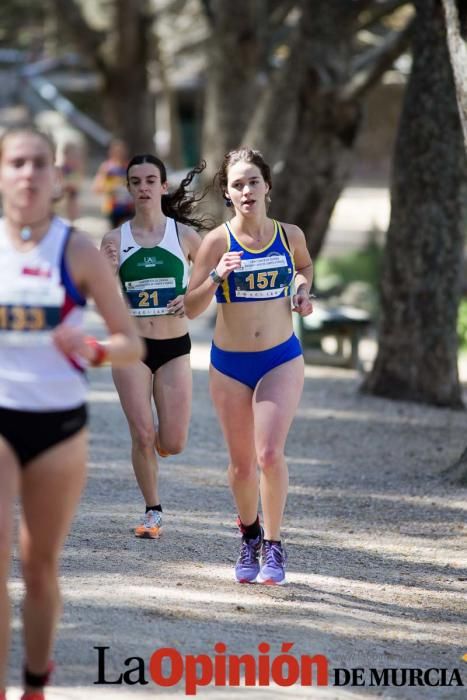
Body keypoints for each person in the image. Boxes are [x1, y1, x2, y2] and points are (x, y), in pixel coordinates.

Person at [0, 125, 143, 700]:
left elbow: (131, 342)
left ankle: (36, 682)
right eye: (16, 163)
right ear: (2, 175)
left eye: (39, 163)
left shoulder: (76, 249)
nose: (28, 173)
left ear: (57, 179)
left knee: (38, 569)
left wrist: (96, 349)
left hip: (59, 430)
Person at [184, 147, 313, 586]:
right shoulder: (216, 242)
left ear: (267, 187)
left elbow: (304, 267)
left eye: (252, 182)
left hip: (281, 357)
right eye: (237, 184)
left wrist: (300, 288)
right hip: (229, 365)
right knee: (242, 467)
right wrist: (217, 275)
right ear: (227, 193)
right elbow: (189, 307)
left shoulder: (289, 235)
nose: (246, 190)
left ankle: (274, 546)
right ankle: (250, 536)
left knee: (269, 453)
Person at [100, 154, 206, 539]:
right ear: (128, 188)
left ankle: (159, 449)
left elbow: (210, 284)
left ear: (163, 186)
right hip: (132, 348)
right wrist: (108, 275)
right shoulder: (114, 240)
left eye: (150, 180)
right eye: (135, 181)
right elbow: (103, 303)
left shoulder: (185, 237)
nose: (143, 187)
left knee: (172, 442)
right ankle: (152, 512)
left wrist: (190, 298)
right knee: (142, 434)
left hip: (175, 346)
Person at [92, 138, 134, 228]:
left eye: (121, 150)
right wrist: (111, 189)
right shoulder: (107, 168)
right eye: (116, 151)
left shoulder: (131, 166)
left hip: (129, 208)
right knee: (115, 236)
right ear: (110, 152)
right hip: (112, 208)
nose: (119, 153)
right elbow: (97, 188)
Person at [55, 140, 85, 223]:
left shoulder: (76, 170)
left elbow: (77, 186)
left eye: (78, 156)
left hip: (71, 211)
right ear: (65, 155)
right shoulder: (60, 169)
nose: (76, 159)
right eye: (73, 156)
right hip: (61, 210)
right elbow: (61, 187)